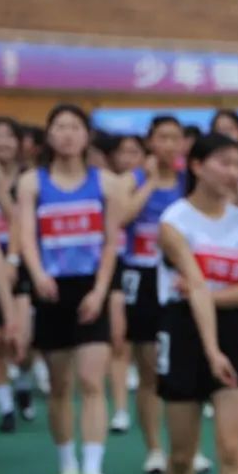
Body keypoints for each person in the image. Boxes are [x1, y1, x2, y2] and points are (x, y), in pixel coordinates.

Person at [157, 133, 238, 474]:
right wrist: (210, 347)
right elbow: (194, 284)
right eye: (224, 162)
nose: (234, 171)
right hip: (182, 332)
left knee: (233, 449)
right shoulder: (174, 221)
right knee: (181, 455)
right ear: (196, 166)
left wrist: (210, 303)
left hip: (235, 332)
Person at [16, 105, 121, 474]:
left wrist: (100, 290)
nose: (67, 134)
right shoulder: (32, 183)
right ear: (49, 135)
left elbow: (111, 242)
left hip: (91, 288)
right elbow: (27, 237)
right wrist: (38, 274)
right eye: (60, 126)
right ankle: (67, 466)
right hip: (51, 289)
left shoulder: (106, 183)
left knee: (92, 381)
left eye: (75, 127)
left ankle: (93, 470)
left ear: (86, 135)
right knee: (59, 385)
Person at [113, 116, 211, 474]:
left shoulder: (191, 181)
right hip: (141, 277)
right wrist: (151, 182)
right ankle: (154, 449)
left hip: (180, 278)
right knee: (149, 368)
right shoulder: (131, 180)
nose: (169, 145)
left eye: (175, 138)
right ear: (150, 142)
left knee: (187, 363)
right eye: (162, 138)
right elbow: (121, 218)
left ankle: (191, 448)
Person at [0, 116, 33, 431]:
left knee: (20, 340)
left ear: (19, 142)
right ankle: (5, 409)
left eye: (9, 136)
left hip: (19, 265)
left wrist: (13, 259)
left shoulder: (28, 179)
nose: (2, 142)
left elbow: (20, 221)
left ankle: (24, 384)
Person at [103, 134, 146, 435]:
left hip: (157, 272)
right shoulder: (115, 184)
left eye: (135, 152)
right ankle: (120, 409)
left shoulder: (175, 181)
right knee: (119, 339)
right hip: (122, 267)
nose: (128, 157)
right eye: (123, 151)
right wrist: (149, 184)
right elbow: (122, 217)